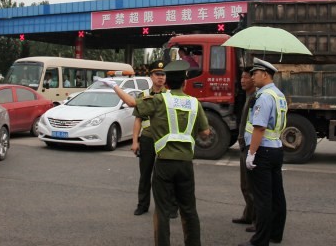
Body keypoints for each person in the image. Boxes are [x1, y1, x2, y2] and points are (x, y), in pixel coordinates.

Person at [99, 61, 210, 246]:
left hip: (165, 162)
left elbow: (131, 103)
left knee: (162, 211)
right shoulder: (194, 102)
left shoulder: (160, 100)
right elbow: (205, 132)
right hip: (186, 164)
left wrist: (115, 86)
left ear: (167, 82)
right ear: (185, 82)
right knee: (189, 210)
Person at [238, 58, 288, 246]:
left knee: (262, 198)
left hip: (263, 151)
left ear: (265, 74)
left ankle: (260, 240)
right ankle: (275, 233)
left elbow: (259, 128)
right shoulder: (278, 95)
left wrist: (251, 153)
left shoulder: (264, 97)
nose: (252, 77)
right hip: (276, 149)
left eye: (255, 73)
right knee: (277, 195)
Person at [129, 60, 177, 218]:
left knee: (167, 175)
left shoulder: (170, 95)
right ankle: (142, 205)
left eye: (163, 74)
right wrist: (135, 141)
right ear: (151, 76)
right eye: (157, 74)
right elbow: (138, 120)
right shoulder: (143, 96)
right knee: (145, 174)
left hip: (165, 140)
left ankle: (170, 207)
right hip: (148, 139)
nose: (161, 77)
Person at [232, 68, 257, 232]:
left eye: (246, 77)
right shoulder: (247, 96)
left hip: (250, 145)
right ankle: (248, 214)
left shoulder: (255, 98)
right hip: (244, 144)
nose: (242, 80)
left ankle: (256, 220)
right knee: (245, 185)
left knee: (251, 186)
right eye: (241, 77)